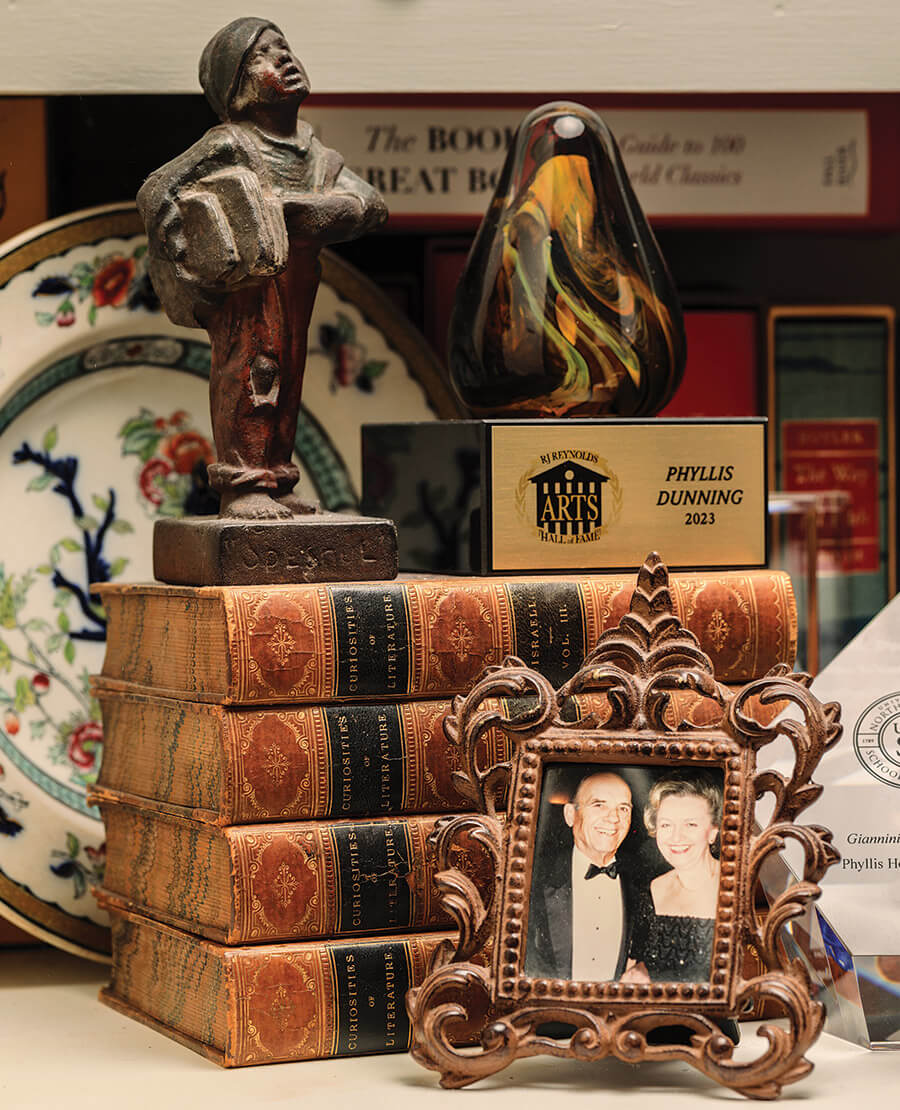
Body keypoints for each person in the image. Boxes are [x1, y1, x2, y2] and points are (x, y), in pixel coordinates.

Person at [138, 17, 387, 520]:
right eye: (263, 56)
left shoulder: (315, 154)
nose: (284, 60)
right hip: (247, 286)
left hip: (298, 281)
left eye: (285, 48)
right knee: (254, 371)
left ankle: (278, 475)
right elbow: (156, 193)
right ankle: (242, 482)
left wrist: (323, 211)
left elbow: (372, 205)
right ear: (237, 90)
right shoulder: (230, 145)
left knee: (291, 376)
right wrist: (192, 258)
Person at [525, 770, 640, 981]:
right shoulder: (532, 879)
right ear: (570, 815)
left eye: (623, 808)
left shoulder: (643, 883)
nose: (614, 818)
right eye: (599, 805)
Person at [623, 770, 722, 983]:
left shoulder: (734, 885)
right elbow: (635, 965)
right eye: (666, 824)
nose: (676, 837)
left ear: (713, 831)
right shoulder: (653, 889)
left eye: (691, 824)